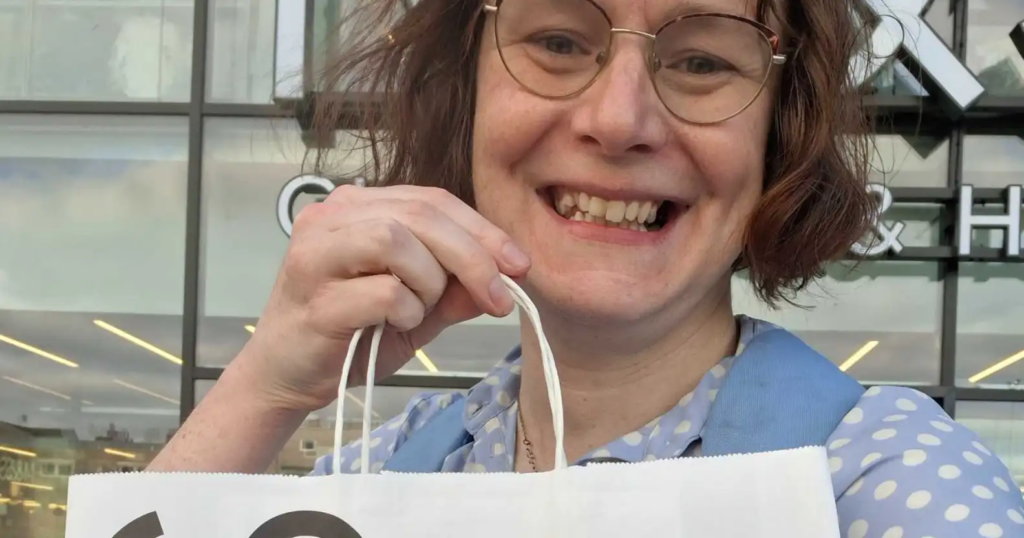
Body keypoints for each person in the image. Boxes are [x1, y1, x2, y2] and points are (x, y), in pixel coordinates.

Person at [150, 0, 1024, 534]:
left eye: (702, 61)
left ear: (777, 134)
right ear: (466, 95)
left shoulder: (882, 483)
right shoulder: (376, 477)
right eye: (559, 41)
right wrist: (266, 390)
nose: (618, 119)